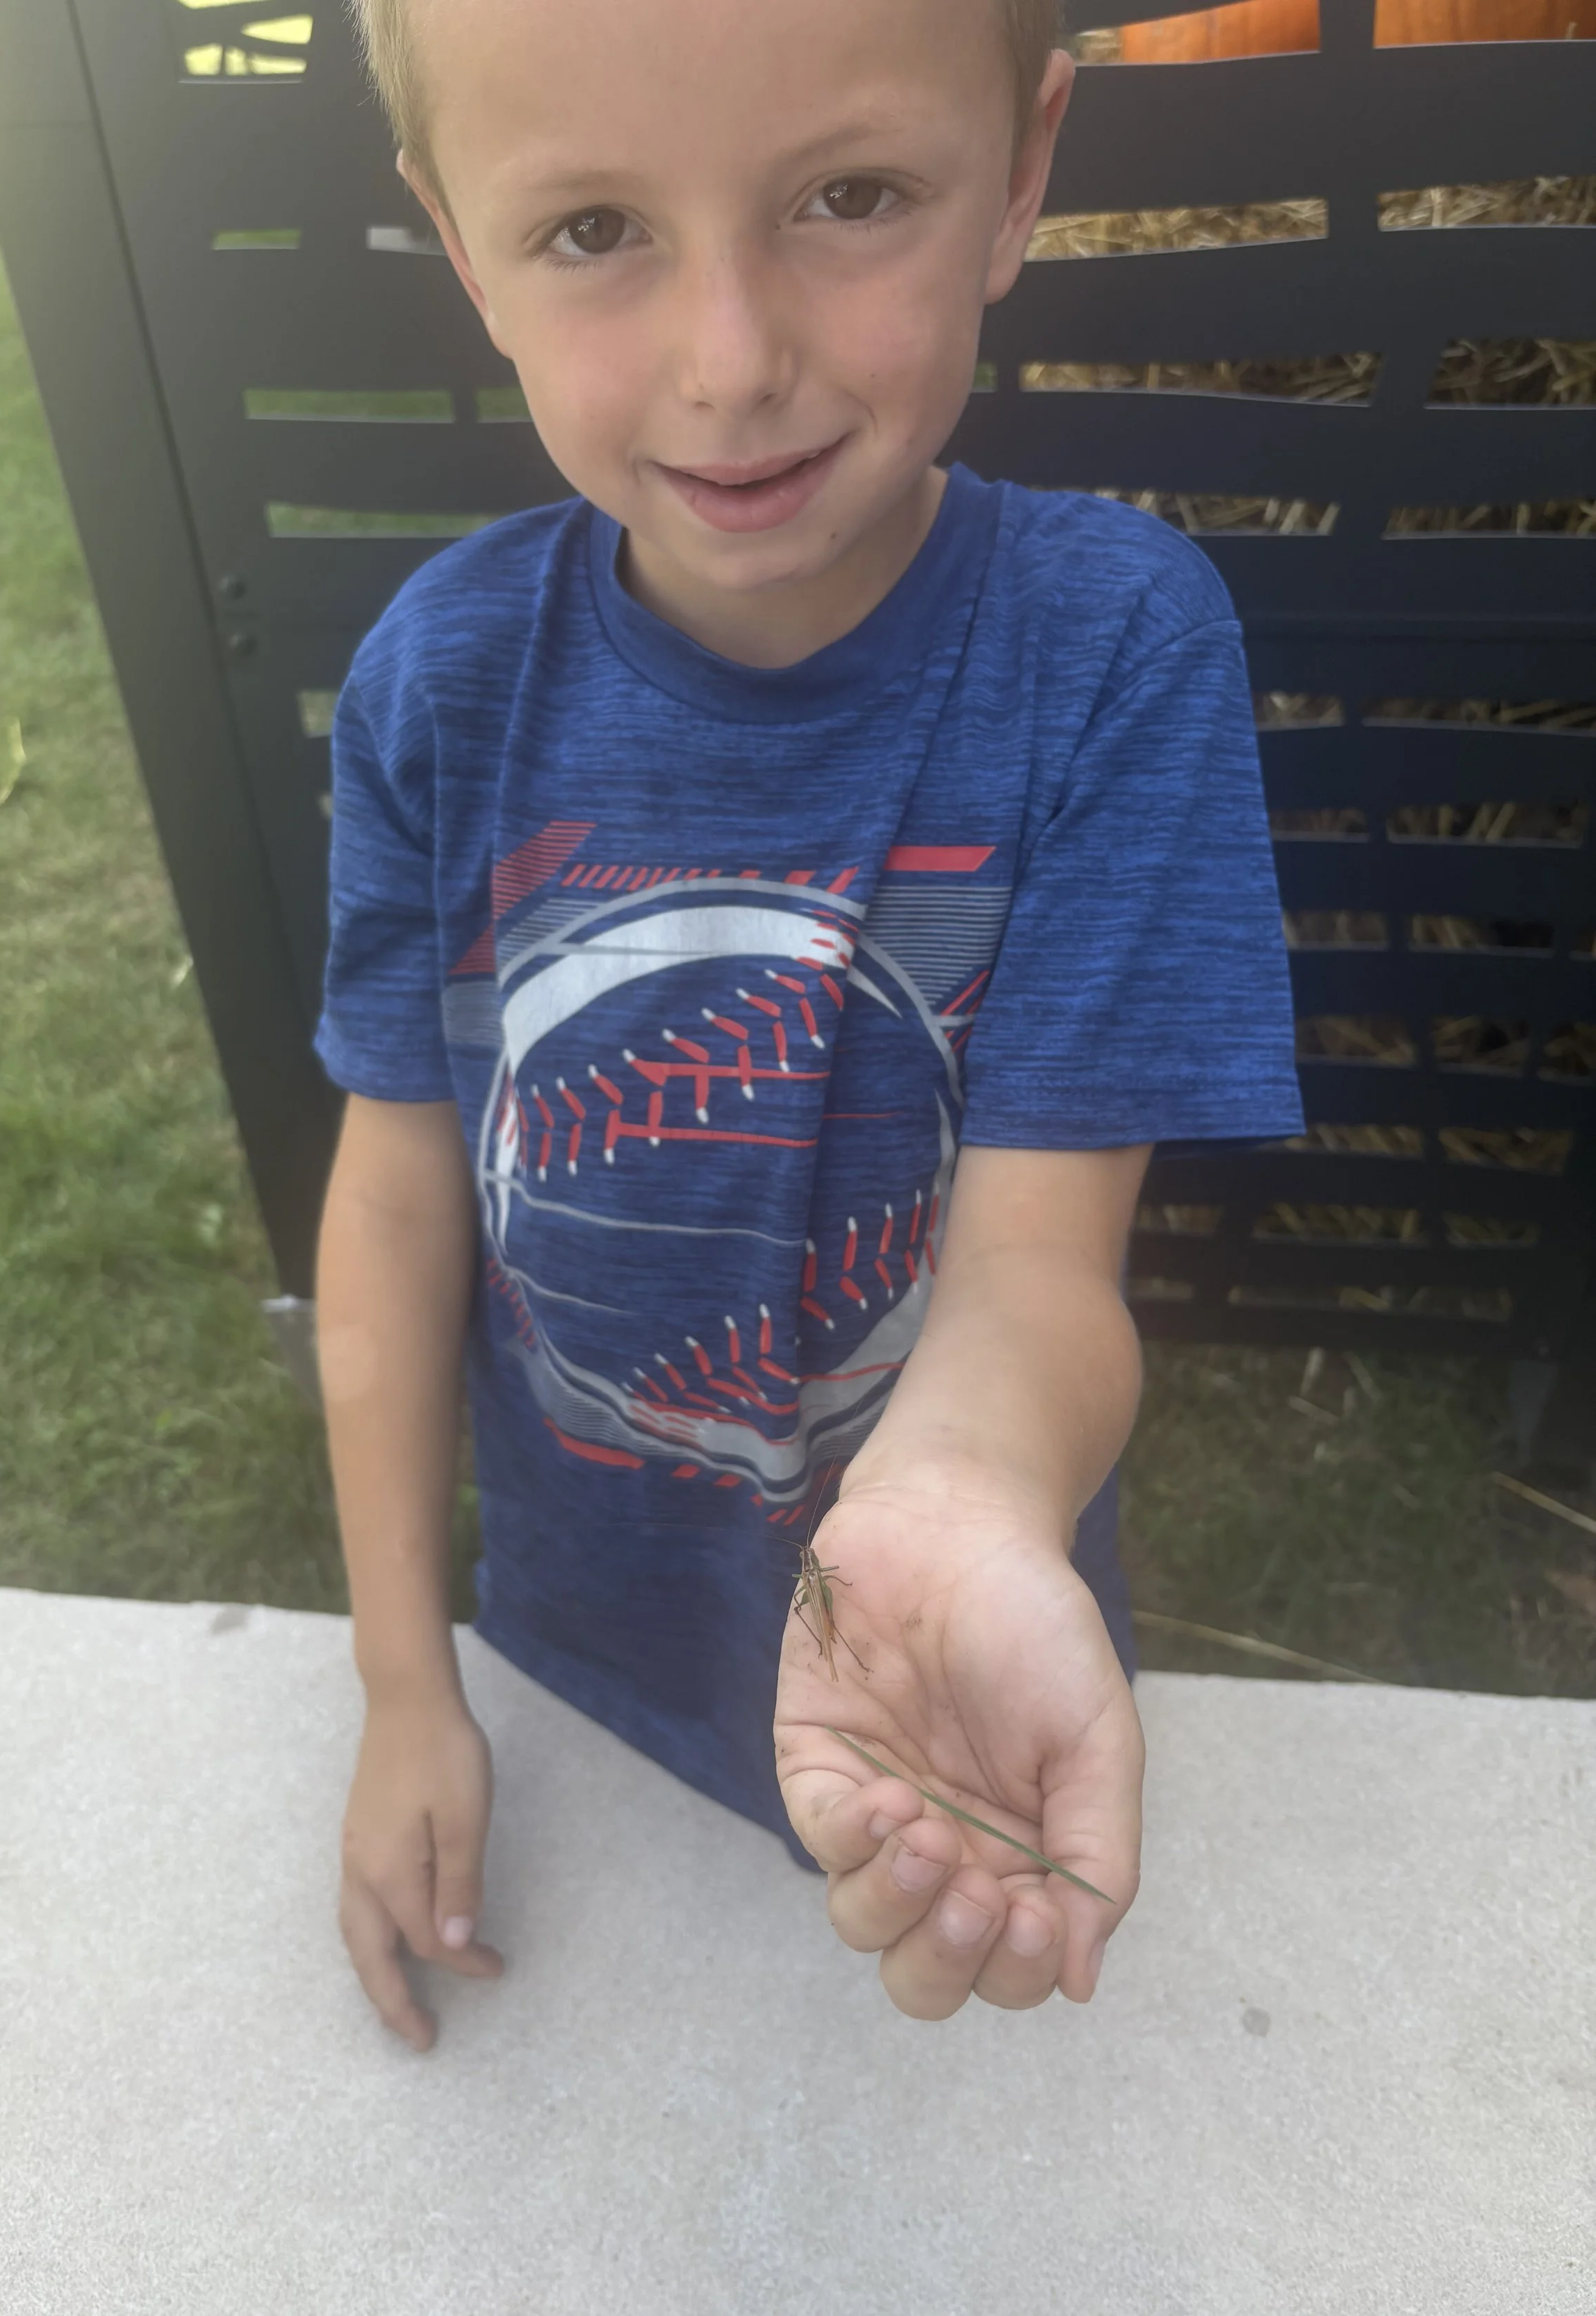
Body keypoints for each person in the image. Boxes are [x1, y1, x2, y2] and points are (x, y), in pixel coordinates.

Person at [313, 0, 1303, 2053]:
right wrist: (406, 1678)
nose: (732, 356)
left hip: (946, 1638)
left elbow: (1042, 1263)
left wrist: (951, 1500)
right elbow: (398, 1193)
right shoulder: (437, 681)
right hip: (573, 1625)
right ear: (459, 245)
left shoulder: (1112, 652)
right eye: (593, 228)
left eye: (850, 198)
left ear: (1020, 170)